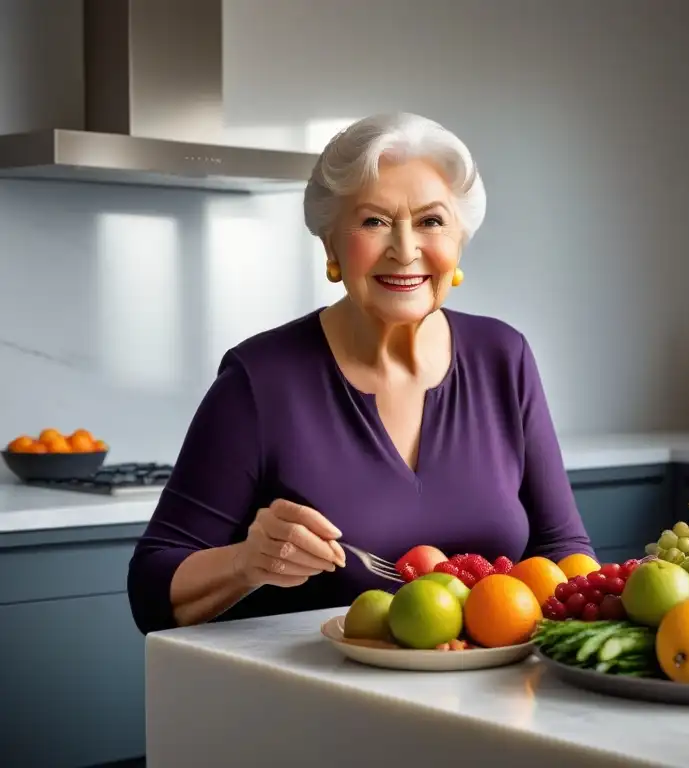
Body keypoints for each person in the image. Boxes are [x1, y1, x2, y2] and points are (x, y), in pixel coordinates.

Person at [127, 112, 595, 634]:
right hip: (312, 697)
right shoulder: (260, 381)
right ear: (330, 246)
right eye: (373, 221)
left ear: (459, 242)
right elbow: (150, 590)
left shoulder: (503, 357)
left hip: (488, 693)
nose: (405, 248)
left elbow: (564, 551)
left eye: (431, 221)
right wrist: (247, 562)